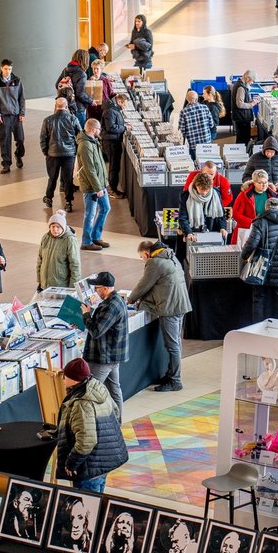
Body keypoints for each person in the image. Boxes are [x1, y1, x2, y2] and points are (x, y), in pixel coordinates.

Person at [55, 357, 129, 493]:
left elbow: (86, 442)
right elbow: (116, 413)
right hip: (103, 460)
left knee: (88, 505)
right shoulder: (97, 387)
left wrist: (71, 464)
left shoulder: (82, 403)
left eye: (65, 375)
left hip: (89, 467)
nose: (63, 378)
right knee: (97, 500)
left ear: (74, 379)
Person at [129, 241, 191, 392]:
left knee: (172, 345)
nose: (142, 259)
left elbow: (143, 285)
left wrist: (129, 299)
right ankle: (171, 374)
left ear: (146, 253)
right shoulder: (171, 256)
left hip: (169, 308)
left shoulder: (155, 263)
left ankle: (175, 380)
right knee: (176, 342)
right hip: (181, 304)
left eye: (142, 256)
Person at [81, 271, 129, 421]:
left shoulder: (112, 306)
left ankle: (96, 425)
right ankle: (117, 422)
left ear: (106, 288)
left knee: (90, 391)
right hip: (111, 355)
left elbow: (96, 330)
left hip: (104, 357)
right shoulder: (112, 301)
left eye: (97, 288)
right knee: (114, 390)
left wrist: (86, 315)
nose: (96, 291)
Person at [241, 198, 278, 322]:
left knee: (259, 299)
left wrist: (244, 257)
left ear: (266, 208)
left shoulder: (260, 222)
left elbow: (251, 245)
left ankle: (258, 331)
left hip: (262, 269)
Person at [40, 97, 82, 212]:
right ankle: (68, 202)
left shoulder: (48, 120)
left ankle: (49, 198)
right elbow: (80, 135)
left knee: (52, 177)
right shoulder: (73, 119)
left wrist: (46, 152)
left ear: (55, 106)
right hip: (69, 154)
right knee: (68, 178)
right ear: (67, 106)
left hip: (52, 154)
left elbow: (43, 138)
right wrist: (76, 150)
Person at [76, 119, 112, 251]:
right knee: (90, 214)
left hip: (99, 184)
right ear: (92, 129)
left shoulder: (93, 142)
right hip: (92, 187)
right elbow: (89, 169)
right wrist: (98, 188)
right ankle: (86, 241)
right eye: (98, 129)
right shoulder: (85, 145)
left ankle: (95, 236)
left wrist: (103, 183)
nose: (100, 131)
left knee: (105, 208)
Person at [0, 59, 26, 173]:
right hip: (3, 117)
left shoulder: (17, 81)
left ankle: (18, 155)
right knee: (5, 141)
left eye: (10, 69)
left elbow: (22, 98)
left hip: (16, 116)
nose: (8, 71)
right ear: (1, 68)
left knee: (20, 139)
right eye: (5, 69)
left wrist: (22, 113)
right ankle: (6, 164)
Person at [242, 137, 278, 202]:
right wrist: (256, 183)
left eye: (272, 152)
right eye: (267, 151)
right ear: (263, 150)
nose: (269, 154)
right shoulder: (254, 158)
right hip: (260, 197)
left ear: (276, 151)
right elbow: (245, 177)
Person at [37, 211, 81, 291]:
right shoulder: (46, 237)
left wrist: (73, 288)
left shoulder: (70, 240)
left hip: (61, 286)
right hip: (45, 285)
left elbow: (75, 265)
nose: (55, 229)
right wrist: (39, 280)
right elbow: (40, 259)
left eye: (58, 227)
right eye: (53, 226)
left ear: (63, 227)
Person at [179, 172, 228, 242]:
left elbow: (221, 216)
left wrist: (222, 228)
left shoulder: (216, 194)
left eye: (207, 190)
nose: (204, 193)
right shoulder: (185, 196)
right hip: (193, 234)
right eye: (201, 189)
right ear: (196, 185)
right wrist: (188, 233)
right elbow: (183, 218)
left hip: (212, 233)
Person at [232, 170, 277, 243]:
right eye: (260, 183)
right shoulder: (244, 195)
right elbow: (236, 214)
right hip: (247, 231)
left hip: (267, 231)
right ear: (254, 183)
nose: (264, 185)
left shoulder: (272, 194)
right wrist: (253, 223)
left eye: (265, 182)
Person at [100, 92, 129, 199]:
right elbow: (111, 128)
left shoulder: (113, 108)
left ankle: (113, 188)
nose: (124, 107)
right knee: (113, 166)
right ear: (119, 101)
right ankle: (113, 190)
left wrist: (123, 124)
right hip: (111, 142)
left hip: (114, 140)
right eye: (124, 104)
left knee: (114, 166)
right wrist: (124, 128)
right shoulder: (110, 111)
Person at [56, 49, 94, 127]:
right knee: (79, 133)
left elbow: (57, 84)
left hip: (65, 106)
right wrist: (91, 101)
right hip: (78, 108)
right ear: (85, 59)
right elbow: (80, 94)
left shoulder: (66, 69)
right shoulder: (82, 74)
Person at [178, 90, 215, 160]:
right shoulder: (205, 108)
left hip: (193, 144)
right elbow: (211, 124)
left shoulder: (183, 112)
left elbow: (182, 130)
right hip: (206, 143)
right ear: (197, 99)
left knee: (195, 165)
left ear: (187, 99)